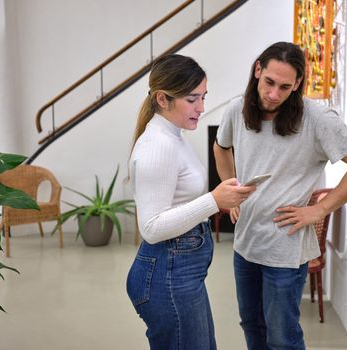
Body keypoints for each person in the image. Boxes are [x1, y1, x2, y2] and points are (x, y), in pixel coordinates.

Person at [213, 42, 347, 350]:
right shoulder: (237, 109)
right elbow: (221, 147)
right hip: (246, 246)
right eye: (269, 83)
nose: (274, 94)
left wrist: (320, 209)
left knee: (282, 338)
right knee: (251, 325)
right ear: (258, 70)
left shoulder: (316, 118)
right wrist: (231, 189)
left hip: (285, 251)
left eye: (285, 87)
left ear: (298, 84)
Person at [126, 54, 255, 350]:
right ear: (162, 99)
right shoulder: (158, 145)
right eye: (192, 99)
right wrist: (213, 200)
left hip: (178, 272)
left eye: (203, 97)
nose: (202, 108)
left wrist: (220, 197)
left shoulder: (173, 136)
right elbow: (152, 228)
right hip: (167, 274)